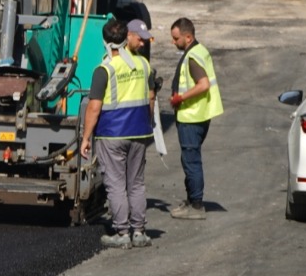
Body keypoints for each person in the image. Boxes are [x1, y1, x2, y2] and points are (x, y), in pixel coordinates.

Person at [80, 17, 156, 249]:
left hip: (112, 134)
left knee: (115, 184)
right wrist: (148, 123)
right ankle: (139, 231)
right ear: (126, 39)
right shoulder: (144, 65)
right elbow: (151, 98)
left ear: (105, 41)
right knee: (136, 183)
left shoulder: (104, 70)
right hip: (139, 132)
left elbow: (94, 107)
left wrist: (85, 137)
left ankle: (122, 233)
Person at [168, 17, 223, 219]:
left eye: (176, 38)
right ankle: (192, 199)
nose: (173, 42)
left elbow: (203, 85)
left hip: (192, 116)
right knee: (189, 159)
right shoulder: (198, 51)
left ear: (188, 37)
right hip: (196, 115)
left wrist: (180, 98)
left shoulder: (193, 57)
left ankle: (197, 206)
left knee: (191, 161)